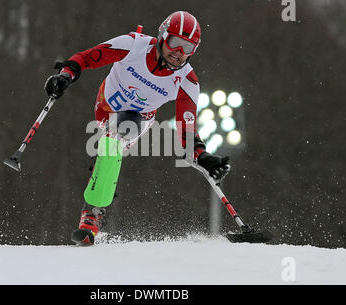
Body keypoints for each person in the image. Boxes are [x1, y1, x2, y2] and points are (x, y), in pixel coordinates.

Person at [44, 11, 230, 246]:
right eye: (175, 43)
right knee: (114, 135)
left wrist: (202, 156)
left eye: (188, 47)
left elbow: (187, 128)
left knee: (119, 134)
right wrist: (66, 75)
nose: (179, 53)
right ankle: (99, 197)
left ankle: (92, 212)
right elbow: (87, 57)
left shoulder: (187, 81)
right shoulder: (133, 45)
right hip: (105, 106)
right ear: (163, 37)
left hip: (138, 120)